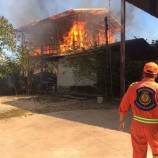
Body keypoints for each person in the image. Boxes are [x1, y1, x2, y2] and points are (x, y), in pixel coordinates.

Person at [118, 62, 158, 158]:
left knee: (138, 152)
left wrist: (121, 121)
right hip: (154, 126)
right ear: (156, 75)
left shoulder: (133, 86)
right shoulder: (157, 88)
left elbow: (123, 105)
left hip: (137, 125)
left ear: (143, 73)